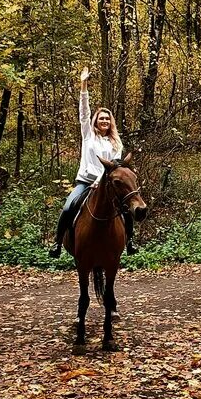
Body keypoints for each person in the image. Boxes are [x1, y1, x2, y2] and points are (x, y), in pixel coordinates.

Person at [48, 67, 137, 258]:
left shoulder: (116, 142)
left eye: (107, 118)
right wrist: (83, 85)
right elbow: (83, 112)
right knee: (68, 207)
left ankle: (130, 241)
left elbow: (116, 167)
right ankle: (57, 243)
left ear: (111, 122)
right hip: (86, 183)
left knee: (126, 209)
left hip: (106, 186)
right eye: (101, 118)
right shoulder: (88, 135)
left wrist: (103, 180)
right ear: (96, 121)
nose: (104, 121)